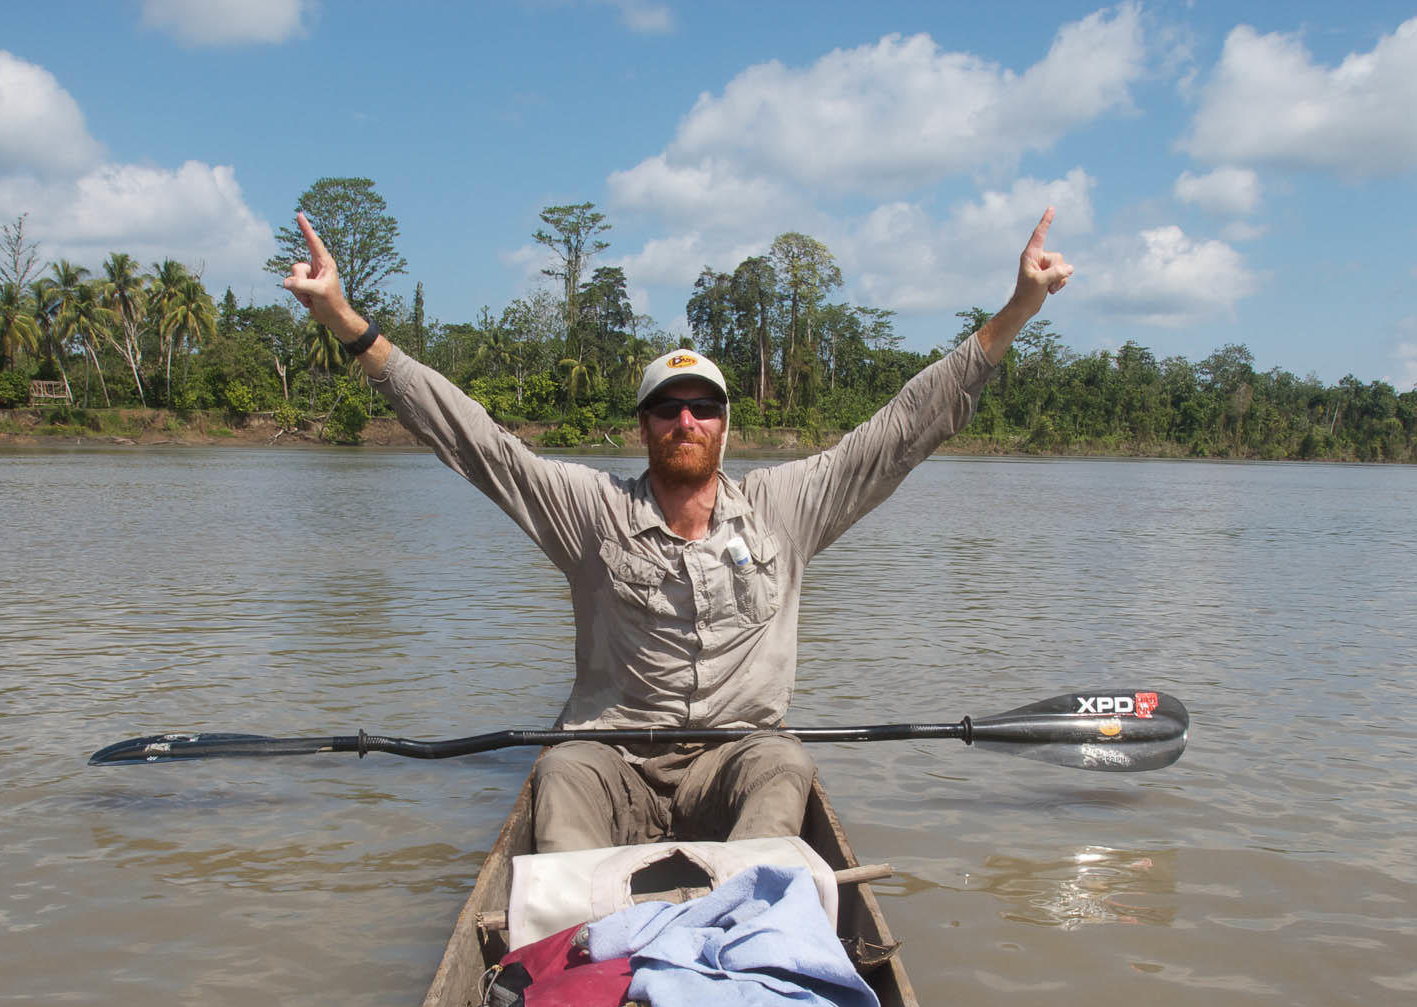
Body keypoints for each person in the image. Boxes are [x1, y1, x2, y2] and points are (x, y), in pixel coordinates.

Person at [282, 208, 1073, 852]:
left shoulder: (787, 507)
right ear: (644, 428)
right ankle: (577, 958)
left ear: (727, 427)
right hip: (611, 758)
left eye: (703, 407)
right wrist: (349, 324)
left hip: (735, 756)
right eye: (667, 406)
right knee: (559, 777)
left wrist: (1015, 312)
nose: (685, 419)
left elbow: (904, 428)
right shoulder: (588, 511)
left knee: (783, 764)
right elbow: (474, 439)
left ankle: (753, 937)